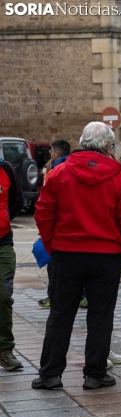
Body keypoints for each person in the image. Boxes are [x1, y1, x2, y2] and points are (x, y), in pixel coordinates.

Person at [32, 122, 121, 390]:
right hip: (106, 256)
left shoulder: (59, 173)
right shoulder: (118, 178)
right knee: (101, 316)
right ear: (108, 146)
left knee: (60, 314)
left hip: (66, 254)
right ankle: (95, 373)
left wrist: (52, 246)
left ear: (82, 141)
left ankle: (50, 374)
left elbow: (43, 212)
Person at [38, 139, 89, 310]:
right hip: (80, 229)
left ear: (57, 153)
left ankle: (55, 297)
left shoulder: (55, 171)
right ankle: (80, 296)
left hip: (60, 230)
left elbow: (45, 206)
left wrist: (47, 237)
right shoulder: (80, 169)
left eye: (51, 151)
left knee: (56, 267)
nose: (50, 155)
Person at [0, 150, 25, 371]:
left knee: (3, 296)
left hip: (2, 244)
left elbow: (18, 200)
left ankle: (5, 349)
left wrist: (5, 220)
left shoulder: (6, 169)